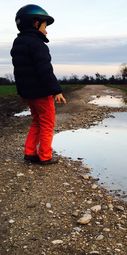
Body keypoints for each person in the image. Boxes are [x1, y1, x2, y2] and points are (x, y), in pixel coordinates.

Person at [10, 4, 66, 165]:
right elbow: (45, 70)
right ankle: (45, 156)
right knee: (47, 123)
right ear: (35, 23)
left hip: (29, 93)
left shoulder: (18, 43)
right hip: (42, 92)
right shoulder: (38, 44)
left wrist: (22, 92)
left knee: (36, 121)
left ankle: (29, 152)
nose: (46, 30)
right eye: (44, 26)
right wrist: (56, 90)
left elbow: (19, 72)